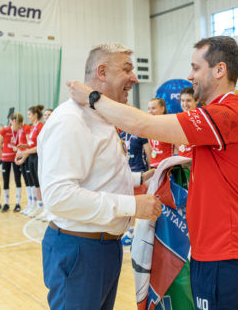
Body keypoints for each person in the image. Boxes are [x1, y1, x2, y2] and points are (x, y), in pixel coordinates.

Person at [68, 36, 238, 310]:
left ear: (219, 70)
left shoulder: (225, 114)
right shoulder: (217, 114)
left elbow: (142, 124)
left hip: (226, 252)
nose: (190, 75)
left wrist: (92, 97)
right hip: (212, 251)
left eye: (196, 68)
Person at [38, 43, 161, 310]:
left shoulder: (101, 117)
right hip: (80, 249)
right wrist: (132, 205)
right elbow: (59, 197)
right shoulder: (71, 121)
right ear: (102, 72)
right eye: (127, 69)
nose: (134, 78)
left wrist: (141, 180)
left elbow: (100, 176)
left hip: (103, 247)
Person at [15, 105, 44, 218]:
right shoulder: (32, 127)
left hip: (37, 156)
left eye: (29, 114)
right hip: (31, 155)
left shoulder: (41, 126)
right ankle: (38, 206)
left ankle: (44, 207)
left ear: (35, 115)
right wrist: (24, 146)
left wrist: (25, 151)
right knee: (34, 182)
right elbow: (32, 143)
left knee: (39, 182)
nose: (28, 116)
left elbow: (40, 145)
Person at [0, 113, 26, 212]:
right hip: (5, 159)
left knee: (18, 180)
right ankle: (6, 203)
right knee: (5, 181)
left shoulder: (21, 130)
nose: (18, 124)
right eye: (15, 122)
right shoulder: (4, 130)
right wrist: (0, 158)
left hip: (17, 158)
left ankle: (18, 203)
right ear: (12, 121)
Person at [148, 98, 174, 168]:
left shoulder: (169, 125)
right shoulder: (149, 127)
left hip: (167, 166)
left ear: (162, 109)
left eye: (153, 108)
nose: (150, 111)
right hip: (154, 166)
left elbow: (178, 148)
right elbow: (151, 148)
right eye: (149, 108)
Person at [177, 87, 199, 157]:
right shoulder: (178, 118)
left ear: (197, 100)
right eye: (182, 101)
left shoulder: (200, 119)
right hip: (181, 161)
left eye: (188, 100)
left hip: (195, 162)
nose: (185, 104)